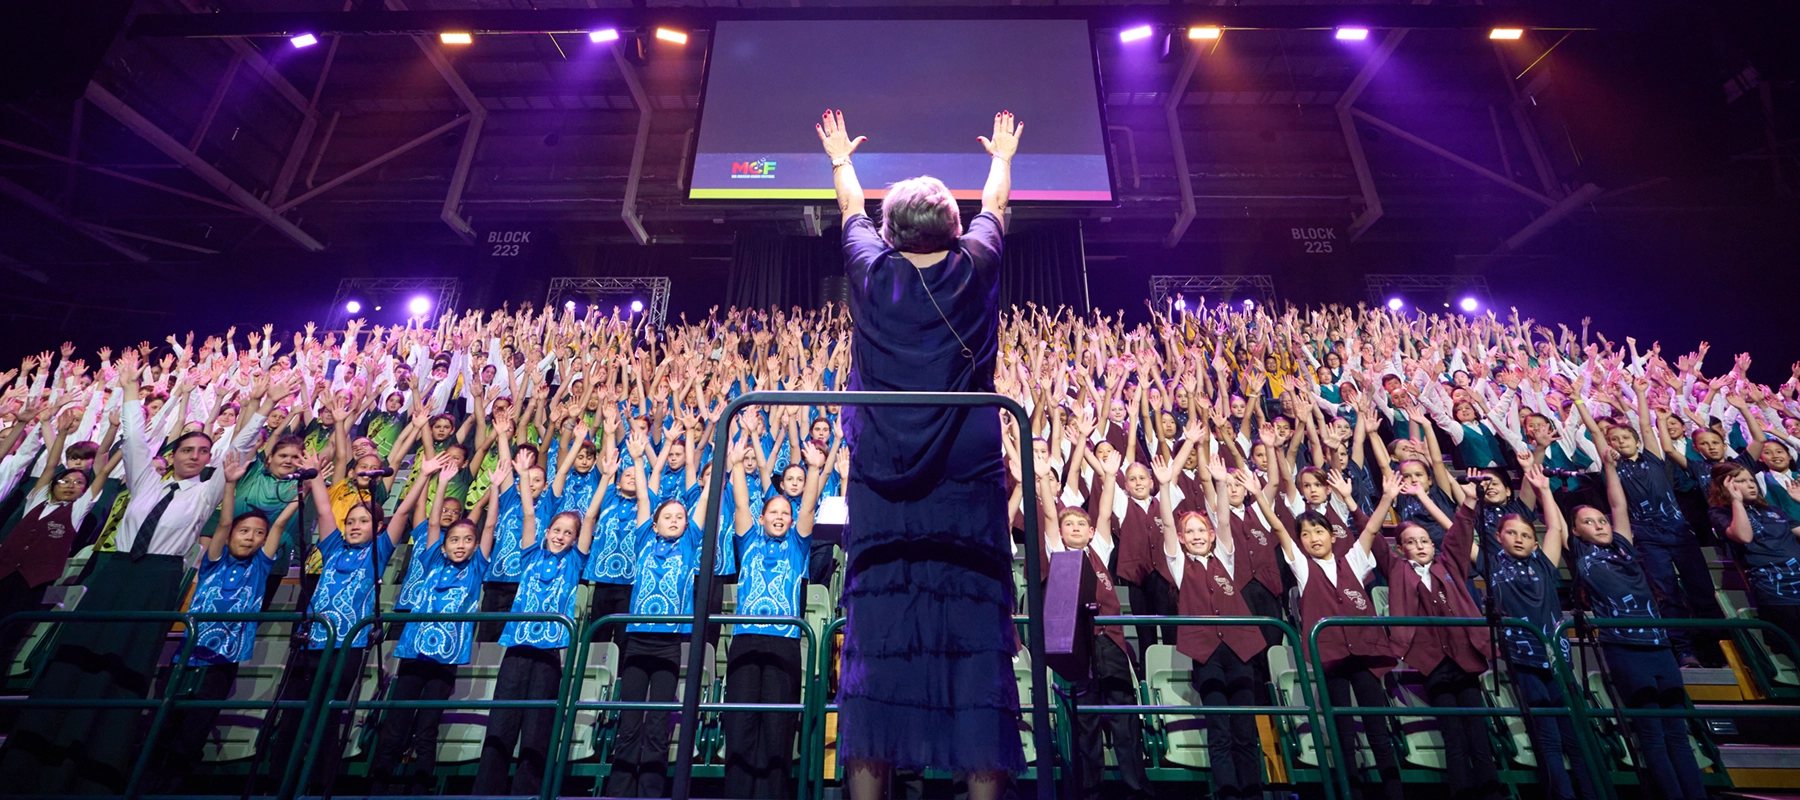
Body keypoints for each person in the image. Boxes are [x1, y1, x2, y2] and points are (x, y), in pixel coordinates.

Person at [820, 106, 1025, 800]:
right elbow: (997, 202)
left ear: (888, 232)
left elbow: (848, 205)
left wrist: (841, 159)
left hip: (884, 482)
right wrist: (1001, 154)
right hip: (966, 484)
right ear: (954, 226)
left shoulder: (871, 275)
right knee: (974, 651)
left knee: (878, 648)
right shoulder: (975, 267)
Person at [0, 349, 264, 795]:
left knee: (126, 672)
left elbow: (237, 450)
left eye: (204, 452)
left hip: (156, 581)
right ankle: (33, 761)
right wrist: (127, 391)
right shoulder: (146, 481)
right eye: (189, 449)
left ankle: (95, 771)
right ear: (174, 453)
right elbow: (137, 441)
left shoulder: (204, 493)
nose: (197, 456)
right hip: (117, 573)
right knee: (77, 660)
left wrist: (261, 408)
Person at [146, 452, 294, 792]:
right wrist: (229, 484)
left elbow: (281, 525)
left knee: (195, 729)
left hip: (222, 662)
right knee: (163, 723)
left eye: (258, 533)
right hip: (188, 656)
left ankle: (175, 784)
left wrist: (305, 490)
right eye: (245, 531)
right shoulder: (214, 560)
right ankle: (147, 778)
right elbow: (224, 523)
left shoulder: (260, 567)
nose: (250, 537)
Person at [1565, 448, 1706, 800]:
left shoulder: (1624, 545)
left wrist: (1610, 467)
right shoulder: (1582, 552)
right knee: (1653, 737)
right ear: (1576, 532)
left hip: (1660, 646)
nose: (1598, 525)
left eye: (1600, 521)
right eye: (1588, 522)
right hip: (1626, 648)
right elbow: (1557, 522)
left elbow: (1619, 505)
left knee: (1678, 734)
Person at [473, 450, 599, 796]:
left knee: (538, 727)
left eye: (567, 533)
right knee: (502, 723)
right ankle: (486, 790)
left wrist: (604, 480)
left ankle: (528, 792)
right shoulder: (530, 554)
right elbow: (529, 513)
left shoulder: (575, 563)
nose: (560, 536)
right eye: (556, 530)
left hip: (548, 653)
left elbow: (588, 518)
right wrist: (524, 476)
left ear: (575, 541)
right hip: (516, 647)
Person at [1274, 470, 1403, 800]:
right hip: (1330, 659)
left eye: (1319, 531)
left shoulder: (1354, 560)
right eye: (1306, 534)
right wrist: (1261, 497)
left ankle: (1394, 793)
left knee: (1378, 731)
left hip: (1364, 657)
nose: (1313, 537)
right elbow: (1278, 528)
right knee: (1342, 735)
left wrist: (1386, 497)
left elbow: (1372, 528)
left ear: (1333, 535)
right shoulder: (1303, 569)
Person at [370, 465, 495, 794]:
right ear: (443, 544)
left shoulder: (476, 568)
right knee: (396, 724)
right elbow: (435, 521)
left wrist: (494, 490)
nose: (461, 545)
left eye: (468, 540)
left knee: (427, 727)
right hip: (413, 652)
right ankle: (377, 785)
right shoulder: (430, 557)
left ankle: (420, 787)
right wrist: (439, 483)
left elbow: (490, 524)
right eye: (455, 540)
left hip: (446, 658)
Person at [1035, 448, 1152, 800]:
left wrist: (1110, 477)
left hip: (1111, 641)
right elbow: (1049, 517)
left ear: (1090, 532)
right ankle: (1090, 792)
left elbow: (1103, 512)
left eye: (1080, 524)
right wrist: (1042, 478)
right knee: (1085, 721)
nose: (1074, 528)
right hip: (1078, 645)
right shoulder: (1057, 551)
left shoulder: (1099, 547)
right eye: (1069, 523)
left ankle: (1136, 789)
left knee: (1124, 718)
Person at [606, 430, 709, 798]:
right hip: (637, 640)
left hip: (668, 644)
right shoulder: (643, 539)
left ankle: (651, 791)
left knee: (659, 724)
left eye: (680, 516)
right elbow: (645, 503)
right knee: (630, 721)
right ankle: (619, 790)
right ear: (656, 522)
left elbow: (703, 501)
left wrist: (718, 473)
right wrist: (637, 458)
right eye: (669, 516)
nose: (676, 520)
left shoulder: (691, 543)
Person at [1159, 459, 1269, 800]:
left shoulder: (1225, 557)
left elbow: (1223, 521)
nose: (1196, 537)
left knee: (1245, 729)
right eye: (1188, 532)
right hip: (1207, 653)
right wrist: (1164, 486)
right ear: (1181, 538)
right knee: (1220, 730)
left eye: (1200, 532)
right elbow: (1165, 523)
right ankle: (1228, 792)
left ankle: (1253, 790)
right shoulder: (1180, 566)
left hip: (1239, 650)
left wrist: (1221, 484)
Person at [722, 436, 822, 799]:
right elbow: (741, 503)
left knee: (777, 727)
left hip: (784, 643)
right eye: (773, 513)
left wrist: (812, 469)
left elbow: (808, 509)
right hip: (746, 641)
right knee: (740, 723)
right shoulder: (748, 540)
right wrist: (734, 466)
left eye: (785, 514)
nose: (779, 517)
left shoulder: (798, 544)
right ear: (762, 518)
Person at [1709, 462, 1800, 659]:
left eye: (1751, 480)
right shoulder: (1720, 513)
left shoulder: (1772, 510)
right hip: (1775, 589)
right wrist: (1736, 502)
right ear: (1725, 486)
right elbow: (1743, 536)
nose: (1751, 485)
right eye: (1741, 481)